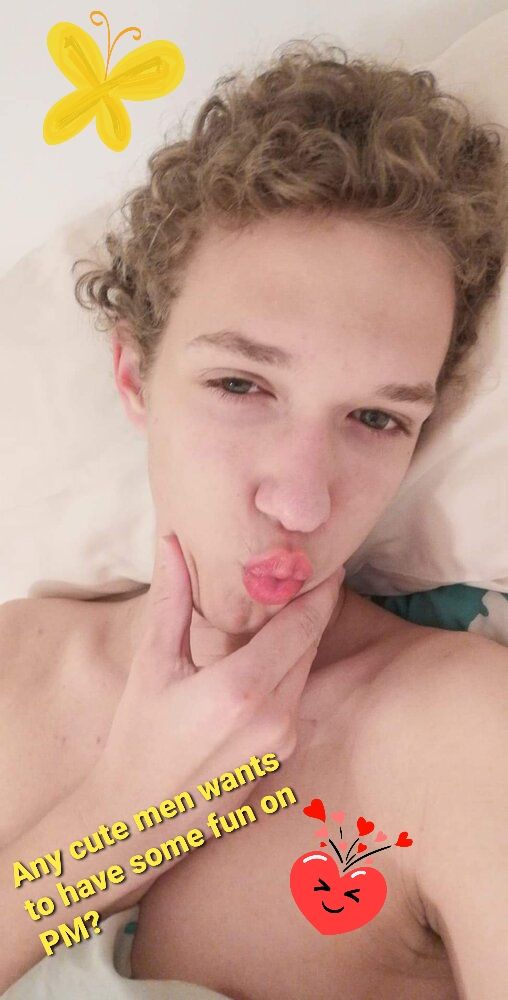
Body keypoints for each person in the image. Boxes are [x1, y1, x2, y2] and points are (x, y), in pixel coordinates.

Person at [1, 38, 508, 999]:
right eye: (241, 384)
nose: (302, 501)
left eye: (376, 419)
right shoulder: (11, 670)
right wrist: (120, 821)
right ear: (133, 376)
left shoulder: (463, 737)